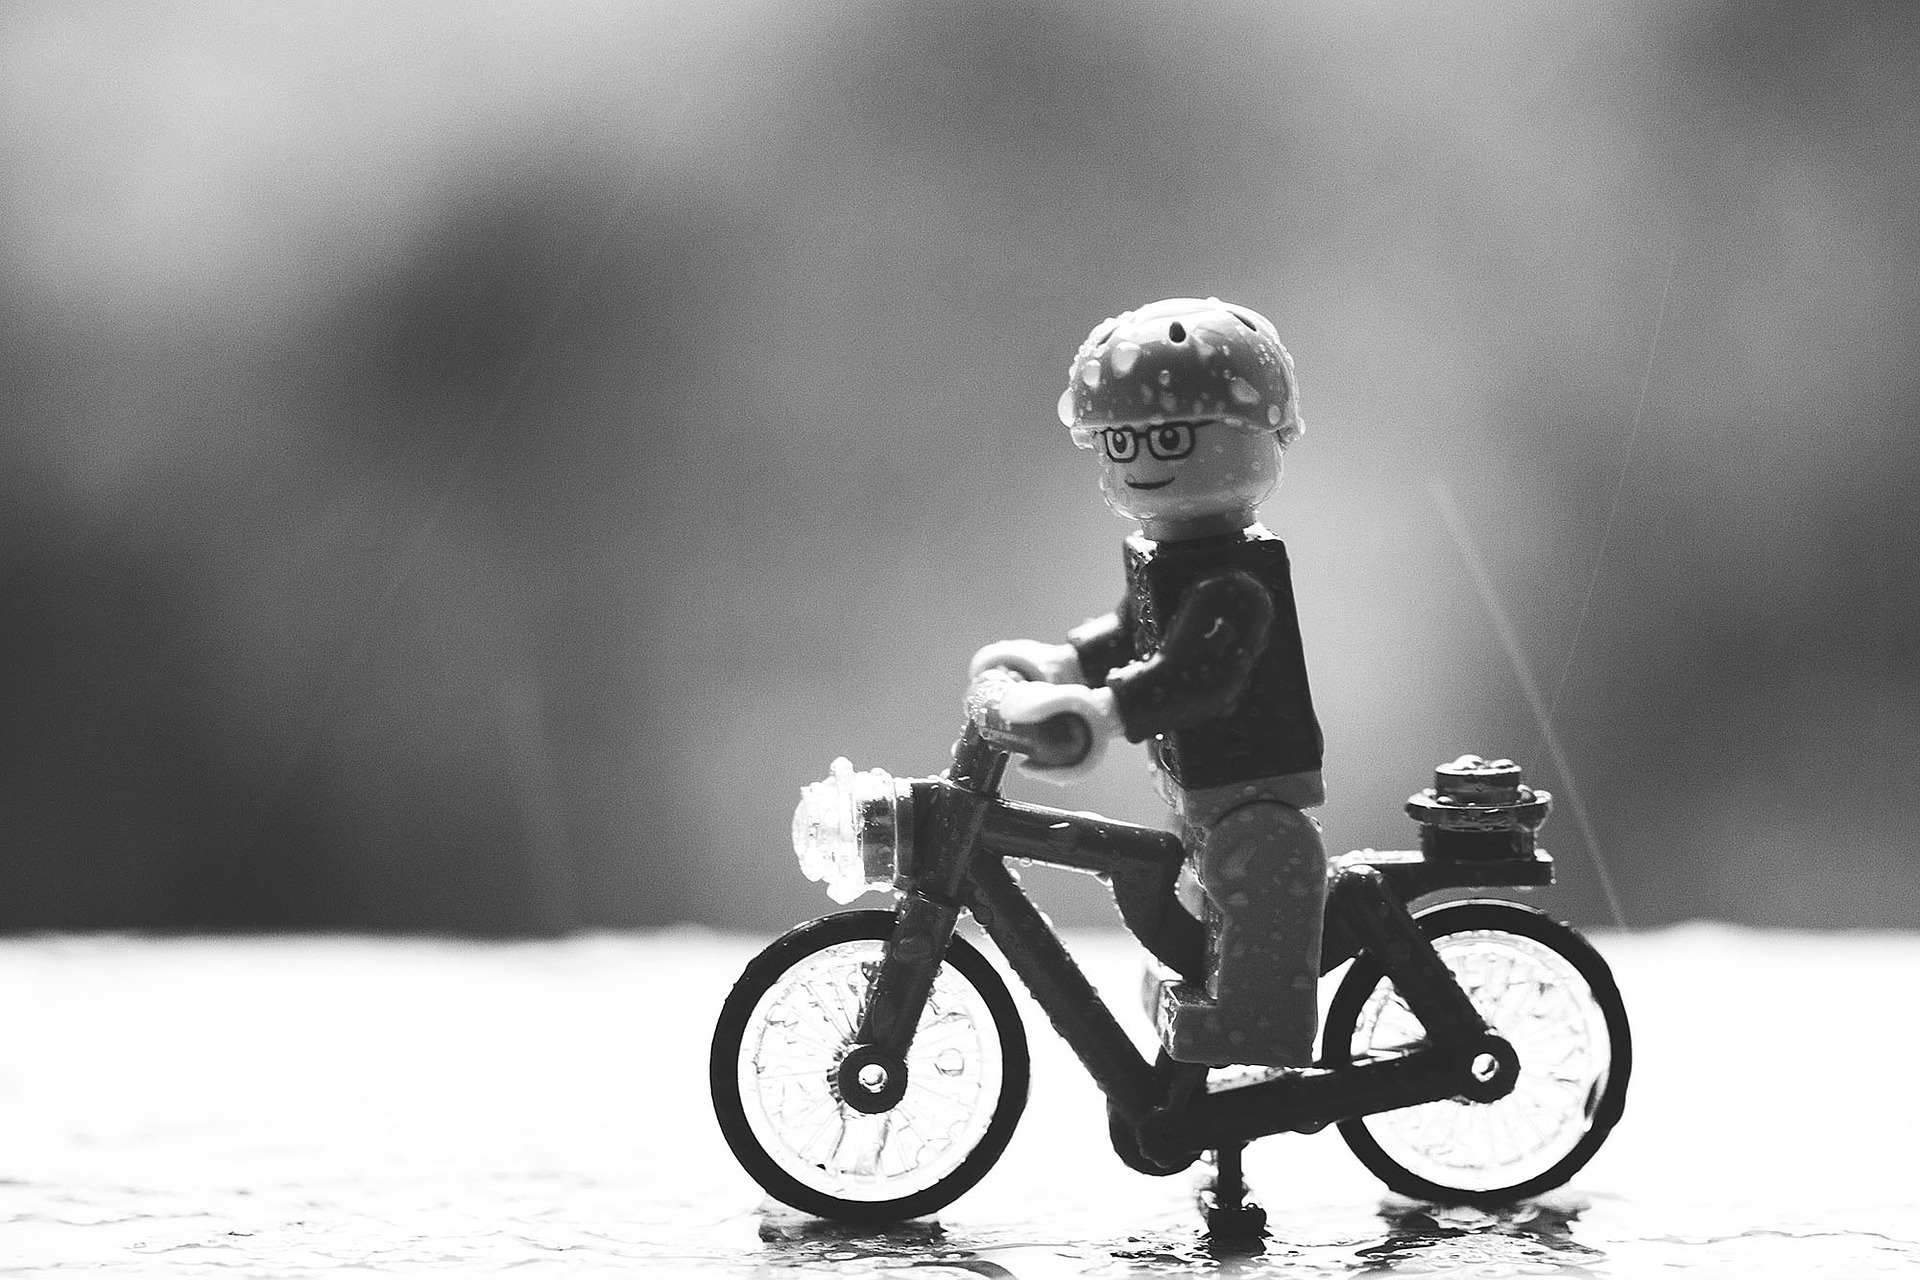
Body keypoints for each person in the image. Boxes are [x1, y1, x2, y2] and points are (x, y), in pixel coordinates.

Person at [971, 297, 1326, 1068]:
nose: (1142, 457)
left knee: (1261, 875)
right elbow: (1133, 630)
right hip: (1198, 794)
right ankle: (1211, 990)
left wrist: (1106, 711)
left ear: (1265, 440)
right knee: (1183, 889)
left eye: (1169, 436)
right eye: (1120, 440)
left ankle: (1258, 1025)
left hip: (1253, 792)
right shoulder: (1162, 559)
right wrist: (1067, 666)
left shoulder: (1237, 580)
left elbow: (1199, 675)